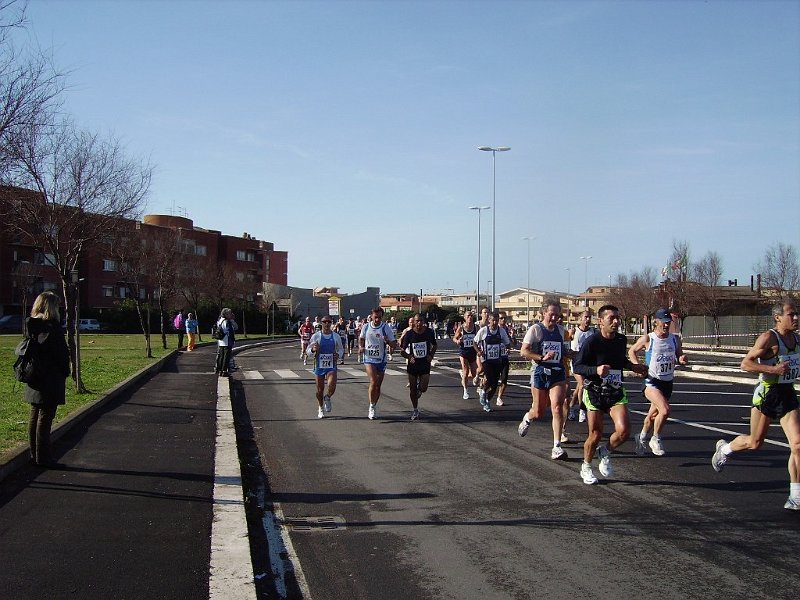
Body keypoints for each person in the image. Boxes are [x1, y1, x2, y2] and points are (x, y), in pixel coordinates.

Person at [712, 299, 800, 511]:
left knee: (797, 444)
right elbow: (746, 363)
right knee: (754, 442)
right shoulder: (769, 337)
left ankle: (795, 496)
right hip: (767, 395)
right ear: (778, 317)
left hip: (787, 393)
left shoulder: (796, 339)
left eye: (796, 314)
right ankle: (725, 449)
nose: (796, 318)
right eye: (791, 314)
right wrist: (773, 370)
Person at [573, 304, 648, 484]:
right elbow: (578, 366)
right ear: (600, 321)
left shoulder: (621, 340)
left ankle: (604, 451)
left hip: (615, 390)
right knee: (596, 434)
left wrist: (633, 367)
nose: (615, 322)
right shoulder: (592, 342)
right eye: (611, 318)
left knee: (624, 431)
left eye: (617, 318)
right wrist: (595, 370)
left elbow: (620, 360)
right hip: (595, 392)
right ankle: (587, 466)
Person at [628, 308, 688, 456]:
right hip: (651, 381)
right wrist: (638, 367)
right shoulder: (649, 339)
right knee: (665, 410)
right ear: (656, 322)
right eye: (664, 322)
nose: (667, 325)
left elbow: (679, 355)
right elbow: (631, 351)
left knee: (652, 416)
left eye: (669, 322)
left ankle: (641, 437)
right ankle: (655, 438)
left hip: (667, 382)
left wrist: (682, 359)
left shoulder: (675, 339)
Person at [517, 300, 572, 460]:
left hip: (557, 372)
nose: (554, 317)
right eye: (551, 313)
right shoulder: (535, 330)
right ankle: (528, 418)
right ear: (543, 313)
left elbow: (563, 350)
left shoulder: (561, 331)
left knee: (557, 407)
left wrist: (570, 353)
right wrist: (541, 357)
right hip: (540, 372)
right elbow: (524, 351)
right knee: (539, 411)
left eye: (557, 314)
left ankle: (556, 446)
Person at [22, 291, 71, 468]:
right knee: (45, 417)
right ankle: (43, 458)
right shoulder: (52, 329)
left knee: (35, 416)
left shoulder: (33, 325)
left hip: (34, 375)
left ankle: (34, 454)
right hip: (50, 378)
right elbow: (61, 355)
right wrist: (66, 371)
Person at [359, 307, 398, 419]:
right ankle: (371, 406)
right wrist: (361, 347)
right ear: (371, 316)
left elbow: (394, 345)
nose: (377, 320)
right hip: (369, 358)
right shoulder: (366, 327)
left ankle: (374, 404)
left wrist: (387, 341)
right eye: (375, 317)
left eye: (380, 317)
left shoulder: (385, 328)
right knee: (373, 381)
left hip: (381, 359)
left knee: (378, 386)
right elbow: (361, 338)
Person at [400, 313, 437, 420]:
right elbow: (402, 351)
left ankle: (420, 390)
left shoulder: (429, 332)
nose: (419, 323)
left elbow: (435, 345)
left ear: (423, 322)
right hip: (413, 364)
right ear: (414, 322)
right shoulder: (409, 334)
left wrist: (431, 355)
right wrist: (408, 356)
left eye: (421, 321)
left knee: (423, 388)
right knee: (412, 390)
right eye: (417, 321)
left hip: (425, 363)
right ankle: (415, 410)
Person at [306, 317, 344, 418]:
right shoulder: (316, 336)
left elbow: (341, 349)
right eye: (324, 322)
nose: (327, 324)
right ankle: (320, 407)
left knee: (332, 386)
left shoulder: (336, 336)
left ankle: (327, 397)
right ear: (321, 324)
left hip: (331, 365)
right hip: (319, 366)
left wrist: (338, 355)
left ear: (331, 324)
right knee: (319, 390)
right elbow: (308, 351)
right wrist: (313, 350)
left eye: (329, 322)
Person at [474, 311, 511, 412]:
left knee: (494, 386)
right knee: (490, 380)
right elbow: (474, 342)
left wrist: (507, 347)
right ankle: (483, 392)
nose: (494, 322)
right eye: (493, 320)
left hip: (497, 360)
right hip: (487, 360)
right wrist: (478, 352)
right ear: (489, 321)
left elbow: (507, 343)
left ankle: (487, 400)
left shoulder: (501, 331)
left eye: (496, 320)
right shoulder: (484, 331)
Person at [569, 310, 594, 423]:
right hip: (576, 363)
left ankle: (570, 407)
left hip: (587, 363)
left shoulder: (593, 332)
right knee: (583, 385)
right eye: (585, 317)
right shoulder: (574, 332)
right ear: (580, 319)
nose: (588, 320)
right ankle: (582, 410)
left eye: (589, 317)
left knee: (580, 386)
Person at [453, 312, 479, 400]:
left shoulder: (476, 328)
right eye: (468, 316)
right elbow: (454, 338)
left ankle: (463, 376)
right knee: (466, 371)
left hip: (473, 351)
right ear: (465, 318)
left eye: (471, 316)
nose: (470, 318)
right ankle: (465, 390)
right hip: (463, 351)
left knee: (475, 373)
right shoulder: (461, 328)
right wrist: (458, 341)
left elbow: (480, 337)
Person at [495, 312, 515, 406]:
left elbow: (513, 344)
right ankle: (483, 387)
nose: (503, 320)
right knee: (491, 380)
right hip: (494, 358)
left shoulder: (507, 329)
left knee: (504, 379)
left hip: (504, 357)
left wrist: (512, 336)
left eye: (504, 318)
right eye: (501, 318)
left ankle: (499, 398)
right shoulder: (494, 329)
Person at [214, 308, 236, 377]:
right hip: (227, 341)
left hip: (221, 341)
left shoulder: (220, 320)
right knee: (226, 357)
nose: (230, 315)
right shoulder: (227, 321)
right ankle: (224, 370)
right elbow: (230, 331)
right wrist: (233, 340)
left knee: (221, 356)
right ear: (226, 314)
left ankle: (220, 370)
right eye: (229, 313)